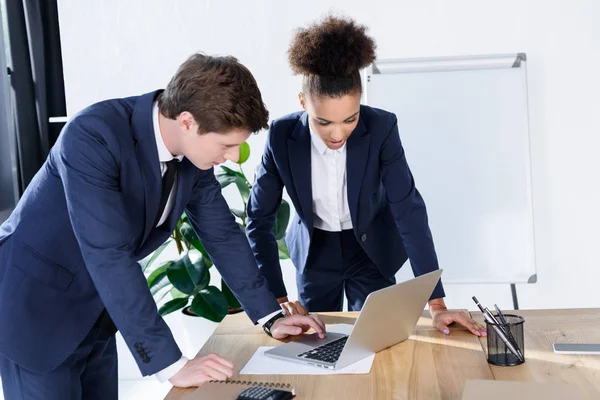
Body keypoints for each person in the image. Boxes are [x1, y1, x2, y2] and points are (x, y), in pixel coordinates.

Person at [0, 53, 325, 399]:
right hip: (36, 313)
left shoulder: (194, 158)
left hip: (98, 315)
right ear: (187, 121)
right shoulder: (92, 135)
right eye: (227, 145)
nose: (234, 156)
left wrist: (270, 316)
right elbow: (109, 254)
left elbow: (222, 234)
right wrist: (172, 365)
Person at [246, 16, 486, 337]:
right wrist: (276, 299)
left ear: (361, 101)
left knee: (378, 340)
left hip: (371, 249)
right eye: (323, 122)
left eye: (350, 118)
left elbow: (408, 209)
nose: (338, 133)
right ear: (302, 103)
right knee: (315, 341)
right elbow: (259, 219)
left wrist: (437, 304)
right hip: (315, 252)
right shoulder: (281, 135)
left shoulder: (382, 128)